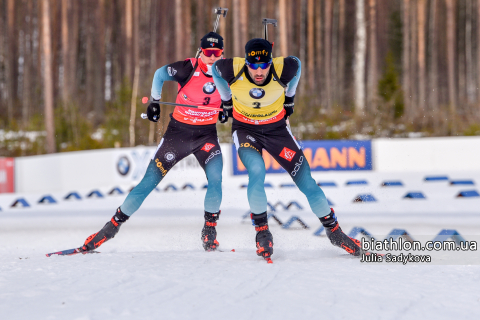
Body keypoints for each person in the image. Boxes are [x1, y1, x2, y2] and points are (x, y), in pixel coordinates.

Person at [212, 38, 361, 261]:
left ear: (271, 62)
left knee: (307, 183)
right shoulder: (231, 68)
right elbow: (214, 70)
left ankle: (334, 232)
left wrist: (290, 97)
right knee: (257, 171)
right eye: (254, 66)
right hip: (246, 131)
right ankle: (262, 231)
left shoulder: (284, 67)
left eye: (264, 65)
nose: (259, 71)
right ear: (247, 63)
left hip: (277, 131)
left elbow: (298, 64)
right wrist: (226, 101)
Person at [80, 32, 226, 253]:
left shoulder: (230, 71)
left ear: (223, 53)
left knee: (216, 179)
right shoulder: (188, 67)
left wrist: (230, 107)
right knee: (147, 183)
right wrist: (155, 102)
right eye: (208, 53)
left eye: (217, 53)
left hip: (206, 137)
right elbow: (159, 74)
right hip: (178, 135)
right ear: (201, 52)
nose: (212, 57)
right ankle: (110, 228)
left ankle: (210, 230)